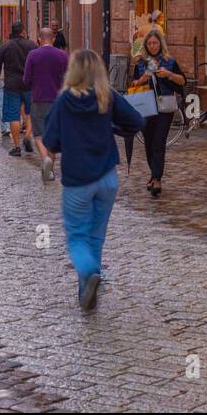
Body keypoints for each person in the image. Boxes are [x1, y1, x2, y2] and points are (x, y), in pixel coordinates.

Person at [41, 49, 144, 311]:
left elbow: (50, 140)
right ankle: (86, 293)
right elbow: (137, 121)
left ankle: (89, 272)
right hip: (107, 178)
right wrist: (112, 128)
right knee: (96, 238)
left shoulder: (64, 102)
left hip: (78, 180)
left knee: (77, 236)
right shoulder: (107, 97)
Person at [131, 32, 185, 199]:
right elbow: (133, 84)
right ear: (146, 46)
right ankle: (153, 176)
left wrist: (168, 74)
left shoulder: (170, 61)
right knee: (148, 142)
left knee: (159, 142)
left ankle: (157, 179)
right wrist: (143, 78)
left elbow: (182, 81)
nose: (153, 46)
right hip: (146, 106)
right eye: (149, 44)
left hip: (164, 106)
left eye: (155, 43)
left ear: (160, 44)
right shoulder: (140, 63)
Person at [23, 26, 69, 182]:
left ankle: (45, 159)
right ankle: (50, 172)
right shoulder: (63, 55)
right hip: (58, 101)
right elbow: (68, 78)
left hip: (39, 99)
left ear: (39, 39)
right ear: (53, 39)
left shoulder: (33, 55)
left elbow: (26, 79)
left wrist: (35, 86)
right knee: (53, 135)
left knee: (38, 134)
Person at [0, 21, 37, 157]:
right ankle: (27, 135)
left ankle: (16, 147)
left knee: (14, 116)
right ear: (22, 32)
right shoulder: (32, 45)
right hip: (29, 85)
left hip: (12, 85)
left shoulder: (5, 46)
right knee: (31, 112)